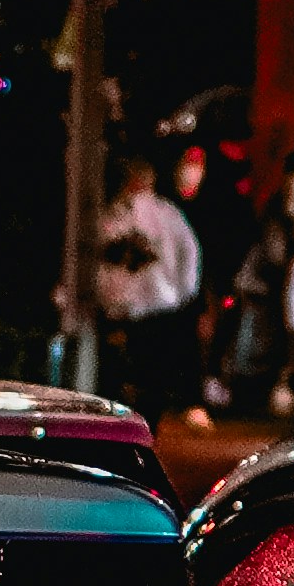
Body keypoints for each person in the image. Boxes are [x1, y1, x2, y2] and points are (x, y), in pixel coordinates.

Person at [94, 150, 203, 413]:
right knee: (148, 377)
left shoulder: (116, 215)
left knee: (127, 377)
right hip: (155, 307)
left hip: (132, 308)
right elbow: (189, 255)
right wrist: (182, 293)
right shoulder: (165, 214)